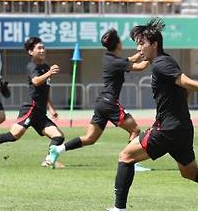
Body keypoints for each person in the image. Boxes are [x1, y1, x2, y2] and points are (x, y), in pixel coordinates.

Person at [94, 19, 198, 211]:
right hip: (182, 128)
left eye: (141, 43)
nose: (139, 48)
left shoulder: (162, 64)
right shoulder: (164, 62)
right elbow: (183, 88)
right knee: (190, 172)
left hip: (167, 129)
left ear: (154, 44)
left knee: (125, 156)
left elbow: (186, 81)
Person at [47, 28, 150, 171]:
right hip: (110, 102)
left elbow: (130, 60)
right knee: (135, 130)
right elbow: (140, 66)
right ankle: (132, 163)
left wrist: (142, 52)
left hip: (102, 103)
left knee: (90, 138)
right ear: (118, 45)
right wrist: (151, 54)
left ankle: (58, 150)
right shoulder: (117, 62)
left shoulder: (109, 58)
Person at [0, 37, 65, 168]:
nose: (42, 50)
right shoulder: (32, 66)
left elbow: (45, 89)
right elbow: (36, 81)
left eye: (43, 48)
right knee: (13, 136)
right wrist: (49, 73)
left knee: (58, 136)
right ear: (31, 52)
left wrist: (51, 108)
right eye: (39, 48)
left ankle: (48, 160)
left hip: (40, 113)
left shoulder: (45, 67)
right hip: (30, 109)